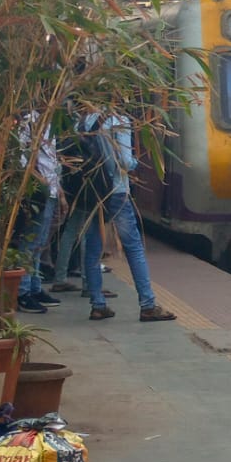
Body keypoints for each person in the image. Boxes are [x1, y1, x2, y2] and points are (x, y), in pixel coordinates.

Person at [78, 111, 176, 323]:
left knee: (93, 247)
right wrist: (134, 164)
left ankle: (97, 304)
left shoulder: (87, 119)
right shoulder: (118, 120)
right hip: (116, 191)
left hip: (93, 192)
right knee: (133, 247)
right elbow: (123, 161)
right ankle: (148, 304)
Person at [14, 113, 63, 314]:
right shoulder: (31, 121)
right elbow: (22, 156)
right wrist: (39, 181)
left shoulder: (52, 121)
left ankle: (34, 286)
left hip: (50, 189)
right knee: (31, 241)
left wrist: (58, 190)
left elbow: (52, 159)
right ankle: (22, 292)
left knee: (41, 241)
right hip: (37, 190)